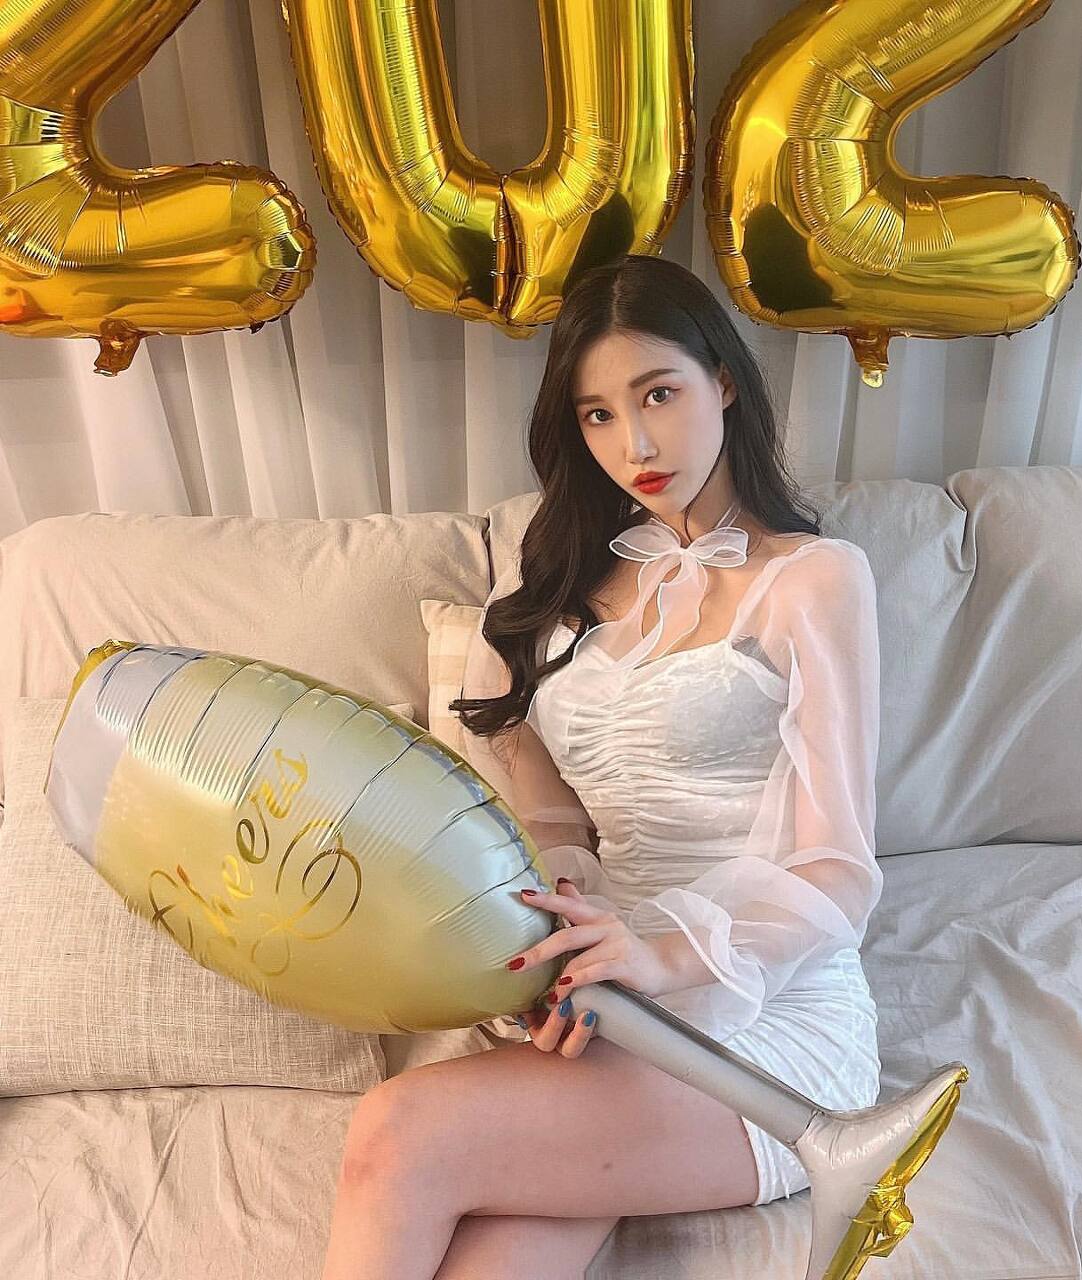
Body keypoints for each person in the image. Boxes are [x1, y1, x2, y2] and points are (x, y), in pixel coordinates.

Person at [321, 254, 885, 1280]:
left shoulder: (813, 581)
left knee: (396, 1131)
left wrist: (665, 954)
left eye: (658, 394)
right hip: (611, 993)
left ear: (723, 381)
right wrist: (558, 930)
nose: (635, 445)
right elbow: (553, 824)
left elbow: (840, 869)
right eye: (597, 415)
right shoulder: (552, 594)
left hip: (768, 1012)